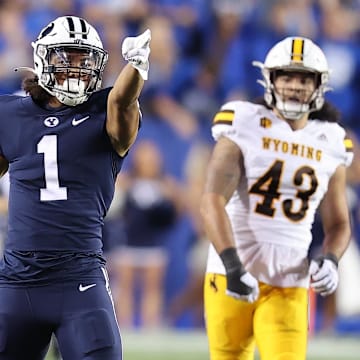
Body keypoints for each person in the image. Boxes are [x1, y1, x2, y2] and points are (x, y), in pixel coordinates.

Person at [0, 16, 151, 360]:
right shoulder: (8, 114)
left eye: (85, 59)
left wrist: (137, 67)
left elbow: (123, 101)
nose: (76, 67)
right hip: (17, 279)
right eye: (66, 57)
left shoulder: (105, 111)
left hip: (80, 278)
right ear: (42, 59)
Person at [200, 36, 353, 360]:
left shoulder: (331, 140)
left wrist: (331, 259)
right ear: (270, 79)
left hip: (290, 279)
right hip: (229, 273)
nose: (295, 86)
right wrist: (232, 265)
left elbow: (339, 223)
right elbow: (211, 200)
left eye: (304, 78)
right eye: (287, 76)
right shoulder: (242, 121)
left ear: (319, 85)